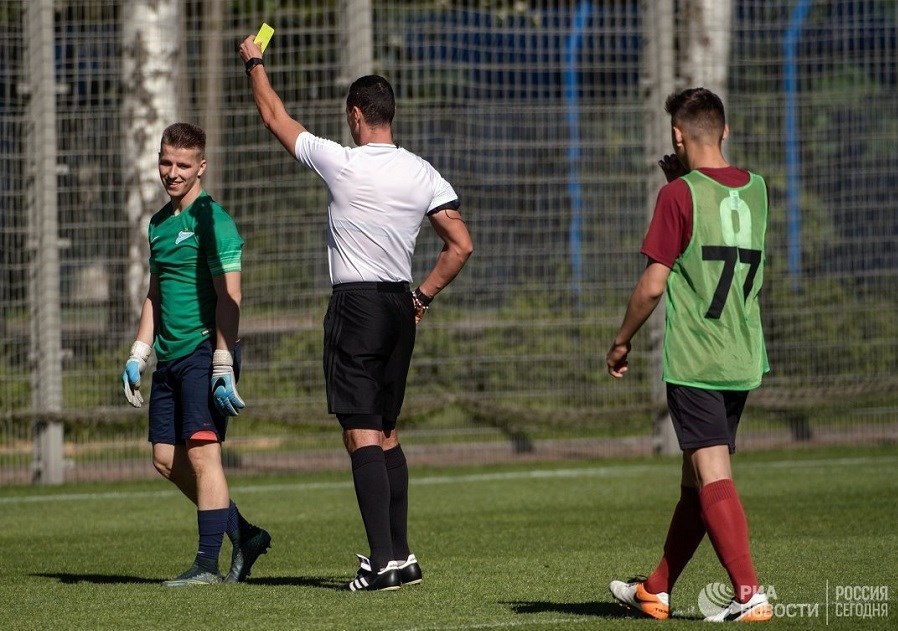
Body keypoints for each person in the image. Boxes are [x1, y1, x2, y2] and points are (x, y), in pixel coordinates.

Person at [237, 36, 474, 591]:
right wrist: (422, 297)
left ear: (356, 115)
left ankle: (381, 563)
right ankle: (402, 557)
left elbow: (274, 117)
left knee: (361, 434)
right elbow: (460, 245)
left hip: (358, 305)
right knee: (386, 431)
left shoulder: (342, 161)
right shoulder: (422, 172)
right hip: (399, 305)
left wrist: (254, 63)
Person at [605, 88, 773, 623]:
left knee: (712, 473)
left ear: (677, 136)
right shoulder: (759, 189)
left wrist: (621, 340)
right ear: (725, 130)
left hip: (698, 357)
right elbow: (719, 218)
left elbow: (653, 285)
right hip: (742, 353)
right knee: (695, 481)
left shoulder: (677, 196)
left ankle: (748, 593)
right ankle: (655, 589)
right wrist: (683, 183)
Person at [121, 122, 271, 587]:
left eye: (183, 165)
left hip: (205, 352)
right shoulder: (159, 224)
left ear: (201, 166)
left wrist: (223, 362)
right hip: (169, 356)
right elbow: (156, 294)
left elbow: (230, 297)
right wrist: (139, 352)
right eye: (166, 162)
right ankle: (243, 533)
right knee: (166, 459)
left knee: (204, 457)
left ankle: (207, 564)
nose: (173, 172)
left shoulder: (214, 222)